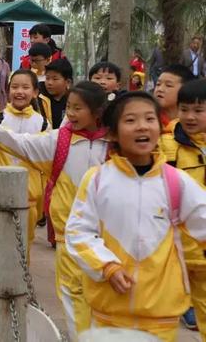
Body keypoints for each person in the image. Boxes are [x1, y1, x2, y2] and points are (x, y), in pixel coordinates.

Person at [0, 81, 110, 339]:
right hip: (70, 237)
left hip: (109, 240)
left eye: (79, 108)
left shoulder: (115, 144)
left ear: (98, 112)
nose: (71, 114)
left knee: (104, 298)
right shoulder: (59, 141)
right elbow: (22, 144)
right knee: (72, 294)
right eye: (68, 107)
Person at [66, 91, 206, 341]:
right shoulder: (98, 180)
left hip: (161, 317)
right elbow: (78, 232)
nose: (142, 126)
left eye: (150, 119)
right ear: (112, 133)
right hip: (108, 314)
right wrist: (107, 266)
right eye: (130, 120)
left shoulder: (176, 182)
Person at [0, 69, 50, 265]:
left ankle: (20, 276)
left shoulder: (43, 123)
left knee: (24, 238)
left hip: (29, 194)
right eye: (15, 87)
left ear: (35, 92)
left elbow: (47, 157)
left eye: (26, 87)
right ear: (8, 90)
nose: (20, 91)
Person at [160, 78, 206, 334]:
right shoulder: (166, 145)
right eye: (184, 109)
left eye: (198, 110)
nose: (190, 116)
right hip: (176, 249)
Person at [154, 64, 196, 134]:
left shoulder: (196, 124)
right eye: (158, 84)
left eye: (168, 85)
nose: (160, 89)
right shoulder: (150, 121)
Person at [41, 58, 73, 130]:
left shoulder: (74, 100)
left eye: (55, 79)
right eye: (47, 78)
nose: (49, 83)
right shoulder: (39, 98)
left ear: (68, 82)